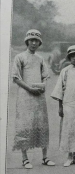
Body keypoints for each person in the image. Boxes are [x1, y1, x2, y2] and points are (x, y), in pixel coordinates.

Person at [12, 29, 55, 169]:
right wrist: (30, 89)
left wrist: (43, 87)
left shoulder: (40, 58)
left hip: (39, 96)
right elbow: (16, 78)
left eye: (36, 41)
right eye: (31, 40)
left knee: (42, 124)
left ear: (39, 43)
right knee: (25, 124)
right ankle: (25, 158)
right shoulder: (19, 57)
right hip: (25, 95)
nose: (34, 43)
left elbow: (45, 76)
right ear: (27, 41)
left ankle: (45, 157)